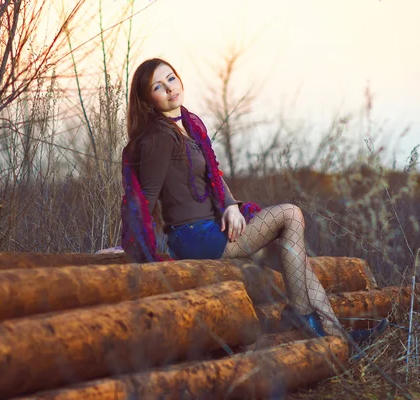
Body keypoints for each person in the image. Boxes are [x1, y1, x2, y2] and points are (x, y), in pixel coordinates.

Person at [120, 57, 387, 344]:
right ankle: (303, 317)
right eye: (158, 87)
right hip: (194, 236)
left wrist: (231, 205)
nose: (170, 89)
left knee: (292, 257)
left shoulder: (188, 125)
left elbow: (213, 174)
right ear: (148, 100)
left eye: (171, 78)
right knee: (290, 215)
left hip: (213, 228)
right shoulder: (159, 137)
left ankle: (337, 335)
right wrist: (127, 243)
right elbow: (142, 199)